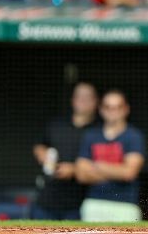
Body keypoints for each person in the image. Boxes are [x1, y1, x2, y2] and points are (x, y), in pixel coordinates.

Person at [32, 82, 100, 220]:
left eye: (87, 97)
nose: (82, 100)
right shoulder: (57, 124)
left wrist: (75, 169)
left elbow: (103, 164)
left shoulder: (100, 131)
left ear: (95, 101)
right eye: (79, 96)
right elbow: (39, 145)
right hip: (47, 198)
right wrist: (42, 154)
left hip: (81, 203)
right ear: (73, 100)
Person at [75, 90, 145, 222]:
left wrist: (96, 165)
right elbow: (81, 174)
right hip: (93, 203)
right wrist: (117, 171)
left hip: (125, 205)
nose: (113, 111)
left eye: (118, 107)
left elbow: (129, 173)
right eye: (108, 107)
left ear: (126, 109)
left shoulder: (134, 136)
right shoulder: (90, 135)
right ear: (101, 109)